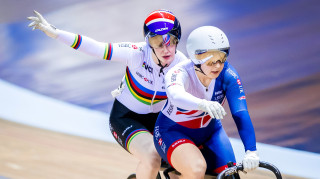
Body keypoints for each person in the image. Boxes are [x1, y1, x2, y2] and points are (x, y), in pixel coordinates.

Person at [28, 9, 187, 179]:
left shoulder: (182, 64)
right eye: (158, 43)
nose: (166, 49)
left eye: (170, 41)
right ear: (148, 42)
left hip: (159, 121)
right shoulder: (136, 53)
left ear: (177, 40)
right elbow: (97, 48)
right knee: (152, 158)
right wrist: (57, 34)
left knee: (183, 160)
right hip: (127, 118)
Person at [153, 26, 259, 179]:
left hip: (211, 132)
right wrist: (202, 104)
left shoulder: (228, 75)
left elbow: (240, 113)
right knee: (197, 169)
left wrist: (251, 150)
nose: (217, 65)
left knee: (231, 175)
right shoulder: (179, 72)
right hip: (173, 132)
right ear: (196, 57)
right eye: (211, 59)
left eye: (221, 58)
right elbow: (176, 95)